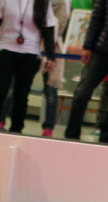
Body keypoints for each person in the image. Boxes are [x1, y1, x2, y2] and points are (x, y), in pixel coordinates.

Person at [0, 0, 56, 133]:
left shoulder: (43, 3)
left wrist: (51, 56)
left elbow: (48, 29)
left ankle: (16, 129)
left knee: (21, 94)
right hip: (6, 48)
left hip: (30, 52)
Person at [64, 0, 108, 141]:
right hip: (100, 50)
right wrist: (87, 46)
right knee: (82, 92)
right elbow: (96, 19)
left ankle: (106, 138)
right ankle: (71, 135)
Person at [41, 0, 71, 137]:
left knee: (51, 91)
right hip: (30, 43)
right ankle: (5, 121)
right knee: (18, 86)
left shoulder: (61, 3)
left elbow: (60, 26)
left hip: (52, 48)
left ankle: (48, 127)